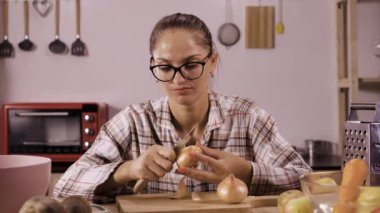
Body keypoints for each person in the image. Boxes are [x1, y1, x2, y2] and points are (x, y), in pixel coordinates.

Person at [53, 13, 312, 203]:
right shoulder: (133, 121)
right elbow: (63, 188)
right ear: (154, 67)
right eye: (165, 68)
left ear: (211, 62)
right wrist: (127, 170)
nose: (178, 79)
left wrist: (247, 172)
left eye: (190, 65)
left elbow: (308, 181)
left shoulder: (248, 117)